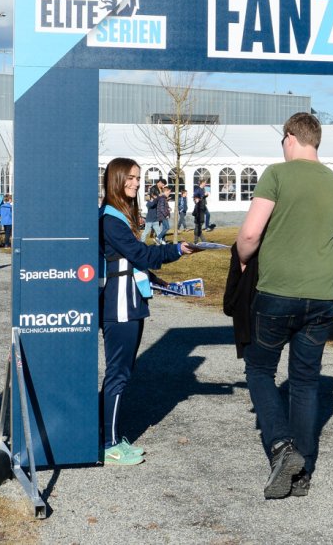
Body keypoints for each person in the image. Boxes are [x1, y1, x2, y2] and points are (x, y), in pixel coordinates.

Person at [234, 112, 333, 499]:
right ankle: (303, 473)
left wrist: (243, 258)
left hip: (278, 290)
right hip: (324, 292)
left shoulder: (276, 174)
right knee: (306, 380)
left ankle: (282, 446)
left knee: (259, 369)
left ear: (290, 138)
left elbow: (251, 233)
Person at [98, 157, 193, 466]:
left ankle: (108, 434)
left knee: (122, 373)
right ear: (116, 179)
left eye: (138, 178)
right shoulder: (110, 218)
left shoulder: (119, 215)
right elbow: (140, 254)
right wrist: (176, 250)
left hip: (131, 301)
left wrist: (156, 280)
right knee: (118, 374)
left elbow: (130, 261)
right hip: (120, 305)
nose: (136, 183)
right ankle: (108, 443)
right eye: (130, 177)